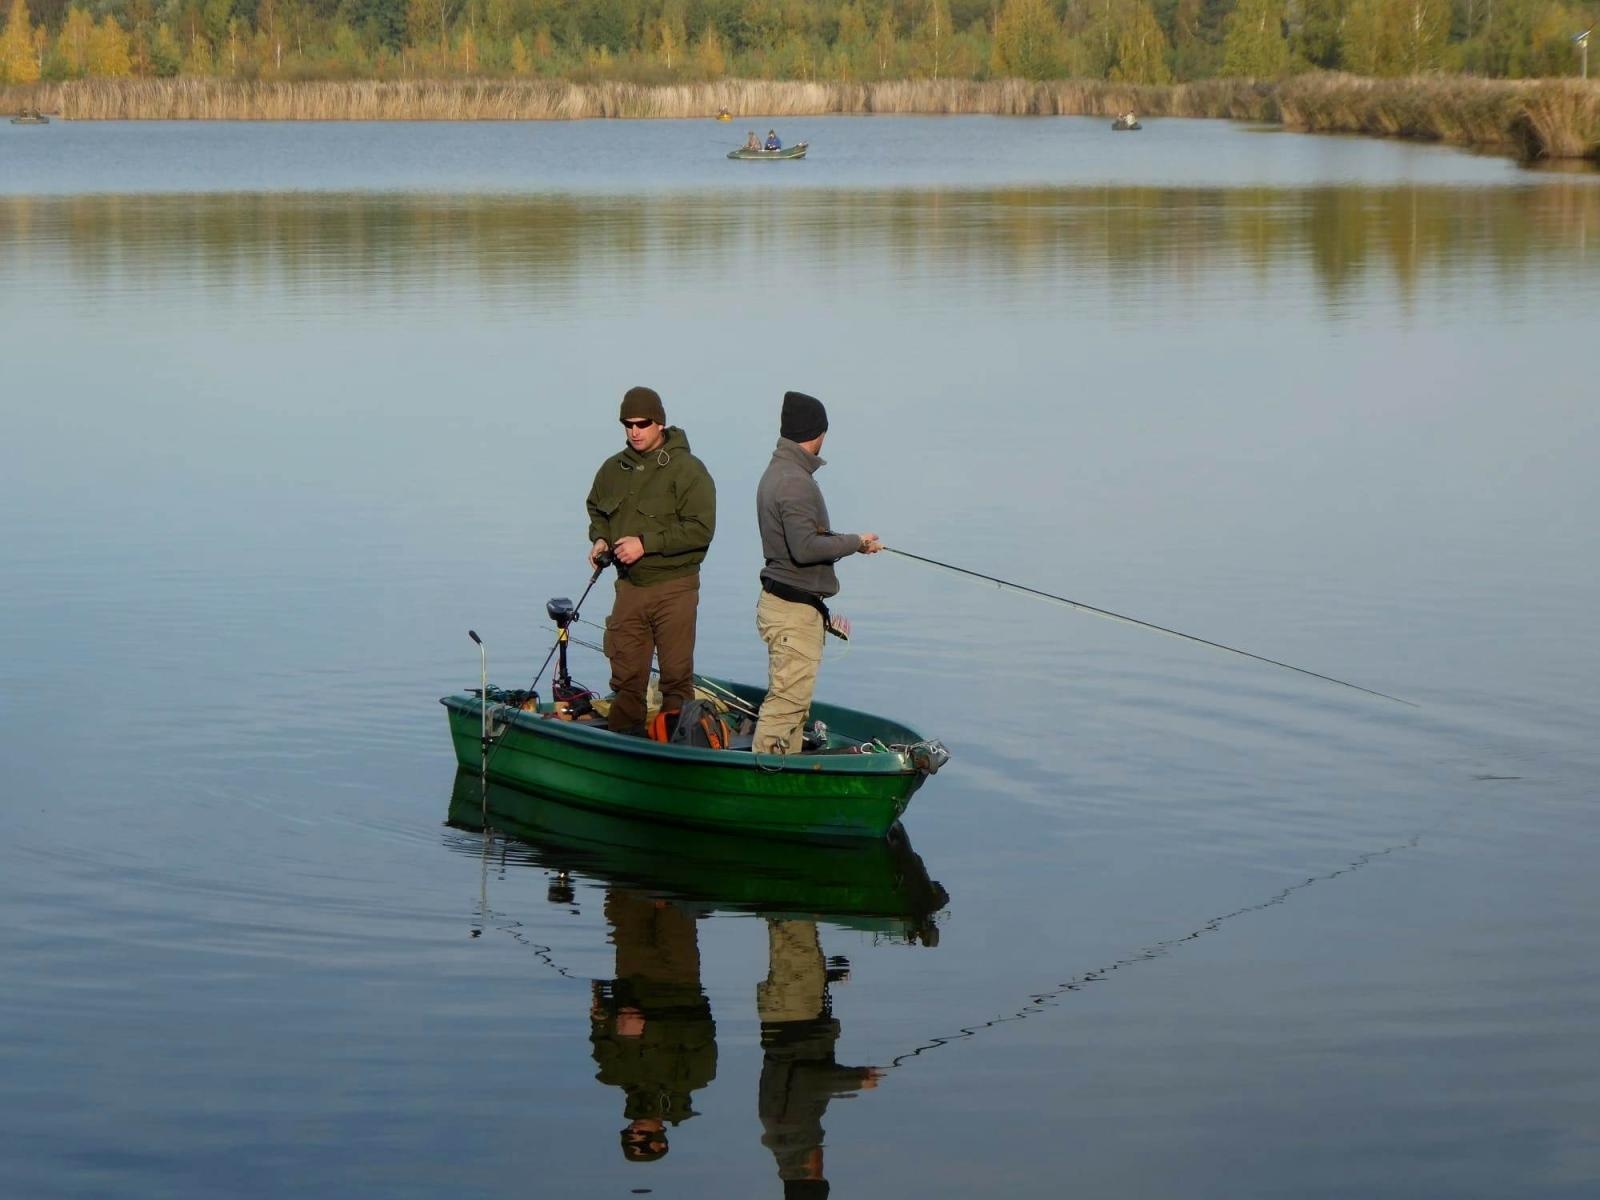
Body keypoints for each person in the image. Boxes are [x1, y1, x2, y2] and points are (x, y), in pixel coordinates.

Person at [752, 390, 879, 756]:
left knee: (793, 706)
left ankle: (782, 774)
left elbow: (806, 538)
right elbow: (806, 547)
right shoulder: (793, 481)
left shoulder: (782, 472)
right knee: (786, 707)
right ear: (818, 433)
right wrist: (855, 542)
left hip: (791, 604)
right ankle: (764, 783)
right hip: (792, 613)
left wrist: (854, 543)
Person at [586, 386, 716, 736]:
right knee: (627, 678)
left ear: (659, 423)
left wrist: (646, 544)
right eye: (627, 424)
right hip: (630, 588)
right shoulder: (614, 468)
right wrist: (600, 538)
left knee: (675, 678)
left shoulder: (689, 470)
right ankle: (623, 748)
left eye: (642, 423)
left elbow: (701, 530)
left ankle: (677, 748)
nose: (634, 431)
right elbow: (597, 509)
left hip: (675, 588)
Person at [590, 890, 718, 1164]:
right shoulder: (694, 1079)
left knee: (625, 897)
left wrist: (601, 1012)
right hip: (678, 980)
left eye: (628, 1138)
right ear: (661, 1140)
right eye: (643, 1141)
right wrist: (649, 1030)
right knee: (673, 901)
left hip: (630, 976)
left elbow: (600, 1029)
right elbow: (703, 1027)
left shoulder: (611, 1073)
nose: (634, 1133)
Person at [757, 918, 881, 1198]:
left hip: (794, 1014)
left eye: (820, 1172)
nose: (822, 1163)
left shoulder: (792, 1132)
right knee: (795, 937)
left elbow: (808, 1080)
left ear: (811, 1173)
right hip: (794, 1014)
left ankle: (791, 885)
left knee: (794, 927)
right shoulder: (783, 1137)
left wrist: (857, 1080)